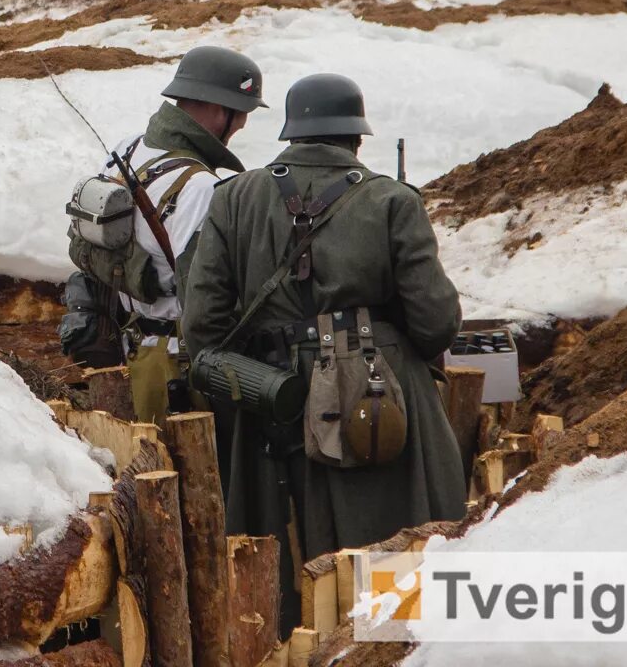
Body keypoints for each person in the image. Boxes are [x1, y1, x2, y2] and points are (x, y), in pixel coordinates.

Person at [180, 73, 466, 632]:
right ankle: (392, 644)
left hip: (272, 405)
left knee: (279, 569)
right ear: (355, 137)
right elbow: (435, 323)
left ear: (292, 133)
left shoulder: (233, 198)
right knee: (392, 561)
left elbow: (202, 327)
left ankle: (288, 642)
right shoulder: (391, 200)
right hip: (380, 409)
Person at [93, 45, 265, 427]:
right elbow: (202, 304)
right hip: (179, 368)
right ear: (222, 110)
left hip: (132, 350)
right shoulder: (202, 188)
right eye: (243, 114)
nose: (243, 126)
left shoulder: (129, 148)